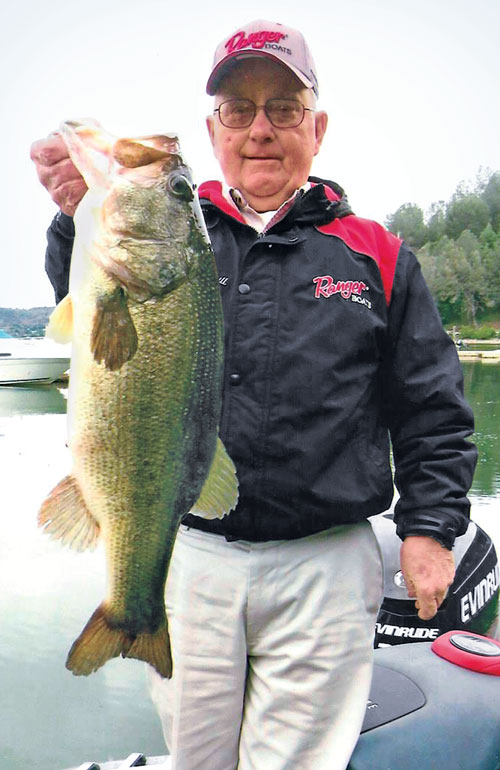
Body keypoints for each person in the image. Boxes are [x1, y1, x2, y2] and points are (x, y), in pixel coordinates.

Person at [30, 19, 477, 770]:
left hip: (328, 564)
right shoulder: (178, 225)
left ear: (319, 127)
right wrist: (75, 214)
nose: (260, 129)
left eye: (284, 107)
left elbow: (432, 406)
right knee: (196, 758)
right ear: (214, 129)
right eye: (239, 110)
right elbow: (94, 316)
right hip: (191, 551)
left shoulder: (378, 252)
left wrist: (430, 529)